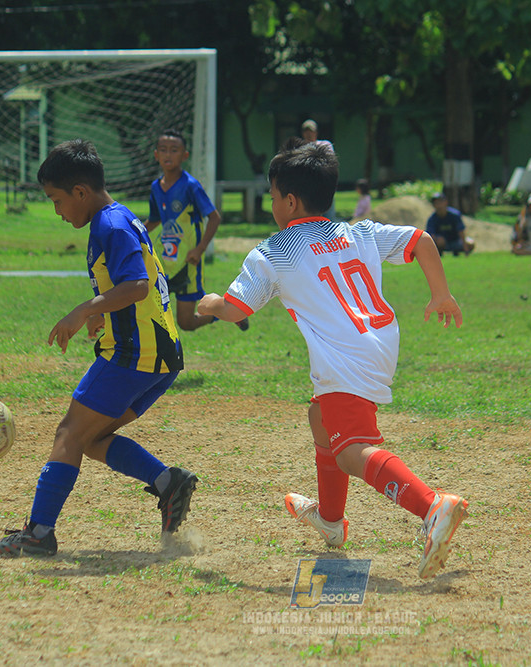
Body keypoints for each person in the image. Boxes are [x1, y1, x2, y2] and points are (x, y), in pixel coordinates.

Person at [198, 139, 469, 580]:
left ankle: (432, 506)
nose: (271, 205)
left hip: (346, 357)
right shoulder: (358, 231)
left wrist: (209, 303)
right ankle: (330, 520)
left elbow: (234, 309)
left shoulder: (273, 251)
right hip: (379, 341)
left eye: (272, 196)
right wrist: (441, 293)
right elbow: (421, 240)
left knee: (351, 453)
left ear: (290, 201)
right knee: (320, 417)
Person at [0, 139, 197, 557]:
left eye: (57, 200)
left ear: (80, 192)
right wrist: (104, 314)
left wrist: (84, 310)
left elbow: (137, 285)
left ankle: (38, 533)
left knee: (70, 432)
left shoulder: (109, 225)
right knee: (91, 437)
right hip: (160, 354)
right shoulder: (117, 218)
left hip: (134, 353)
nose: (57, 211)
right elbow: (129, 282)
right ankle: (168, 482)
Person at [145, 128, 248, 332]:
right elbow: (155, 219)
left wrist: (199, 249)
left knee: (186, 323)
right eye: (163, 150)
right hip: (165, 259)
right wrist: (132, 235)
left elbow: (214, 217)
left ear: (185, 155)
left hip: (188, 261)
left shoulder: (190, 185)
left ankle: (224, 312)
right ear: (156, 155)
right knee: (150, 309)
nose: (168, 154)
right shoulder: (156, 187)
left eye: (174, 150)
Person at [300, 119, 338, 221]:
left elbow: (329, 162)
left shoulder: (325, 145)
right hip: (307, 188)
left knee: (328, 218)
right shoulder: (299, 148)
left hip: (324, 185)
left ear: (316, 132)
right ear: (303, 133)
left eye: (311, 131)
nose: (309, 134)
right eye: (306, 131)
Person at [426, 192, 475, 256]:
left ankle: (456, 251)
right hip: (442, 243)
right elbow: (431, 235)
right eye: (436, 203)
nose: (439, 205)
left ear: (445, 202)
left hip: (455, 241)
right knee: (440, 241)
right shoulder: (432, 219)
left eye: (440, 202)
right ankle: (439, 253)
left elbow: (461, 231)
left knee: (470, 243)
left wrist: (465, 247)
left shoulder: (454, 215)